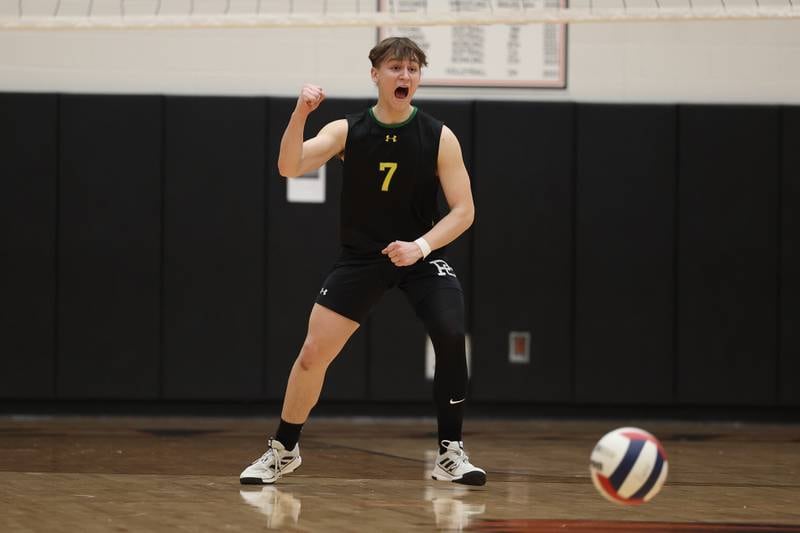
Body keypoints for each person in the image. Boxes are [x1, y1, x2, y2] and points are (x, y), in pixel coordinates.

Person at [240, 36, 486, 487]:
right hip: (362, 258)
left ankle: (451, 453)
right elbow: (288, 166)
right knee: (313, 354)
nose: (405, 76)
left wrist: (421, 247)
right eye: (396, 68)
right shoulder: (347, 130)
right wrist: (300, 115)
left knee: (452, 335)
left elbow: (464, 211)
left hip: (422, 254)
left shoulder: (438, 136)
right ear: (375, 74)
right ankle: (283, 450)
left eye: (413, 69)